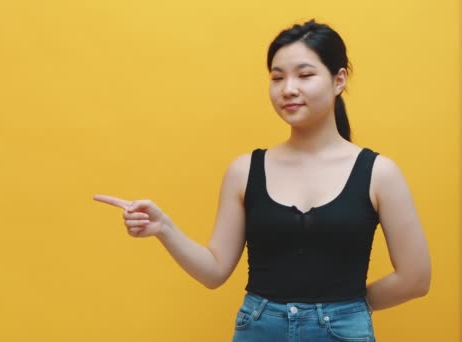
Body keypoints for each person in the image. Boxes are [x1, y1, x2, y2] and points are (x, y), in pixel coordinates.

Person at [93, 19, 431, 341]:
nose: (289, 89)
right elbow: (214, 272)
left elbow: (415, 278)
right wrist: (163, 227)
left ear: (339, 80)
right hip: (258, 330)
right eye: (277, 77)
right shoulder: (244, 170)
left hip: (343, 332)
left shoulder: (379, 173)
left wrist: (349, 308)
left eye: (305, 74)